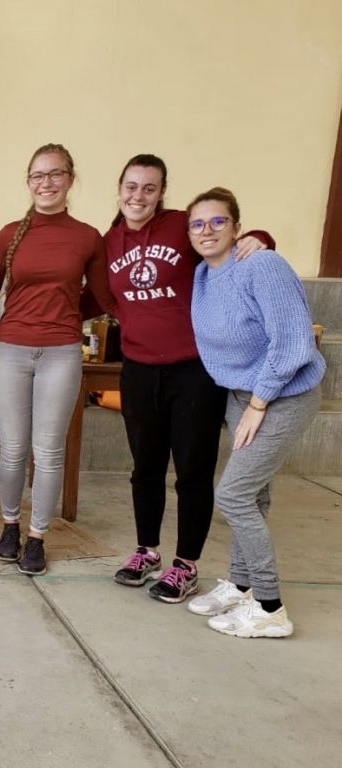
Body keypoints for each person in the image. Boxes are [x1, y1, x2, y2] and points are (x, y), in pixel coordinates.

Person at [103, 155, 274, 602]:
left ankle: (185, 565)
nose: (138, 195)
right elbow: (106, 295)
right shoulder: (110, 241)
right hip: (139, 369)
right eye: (131, 186)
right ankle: (146, 551)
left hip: (194, 369)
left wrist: (260, 238)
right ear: (119, 188)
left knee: (193, 470)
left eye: (149, 188)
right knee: (145, 467)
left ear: (161, 193)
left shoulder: (182, 225)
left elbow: (229, 238)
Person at [184, 187, 324, 638]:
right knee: (255, 494)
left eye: (218, 221)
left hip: (284, 394)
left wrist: (260, 402)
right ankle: (241, 585)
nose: (207, 231)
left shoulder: (261, 265)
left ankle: (269, 606)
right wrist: (247, 401)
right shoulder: (203, 274)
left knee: (234, 495)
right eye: (197, 224)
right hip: (242, 395)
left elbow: (295, 344)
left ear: (238, 227)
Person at [0, 143, 118, 576]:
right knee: (12, 449)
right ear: (28, 182)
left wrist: (64, 313)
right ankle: (9, 526)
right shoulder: (8, 235)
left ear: (70, 179)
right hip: (11, 350)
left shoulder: (87, 236)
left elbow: (101, 296)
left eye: (55, 174)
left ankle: (37, 536)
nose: (46, 183)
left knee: (49, 451)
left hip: (61, 351)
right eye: (38, 176)